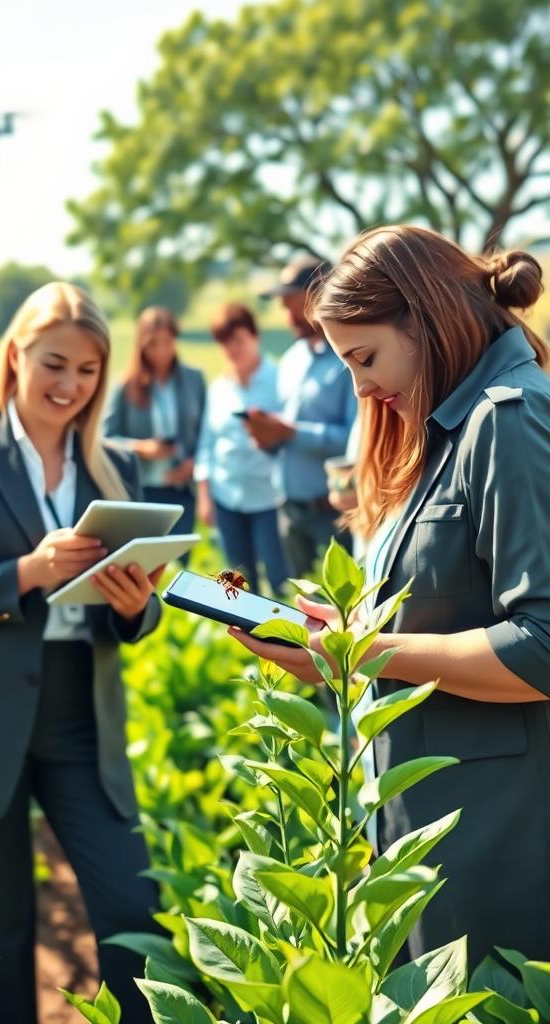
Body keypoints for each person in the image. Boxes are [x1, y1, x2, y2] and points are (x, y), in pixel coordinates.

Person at [230, 225, 550, 967]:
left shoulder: (510, 419)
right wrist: (346, 628)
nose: (360, 388)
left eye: (365, 358)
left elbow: (542, 645)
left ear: (427, 318)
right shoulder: (450, 425)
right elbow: (450, 605)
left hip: (495, 836)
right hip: (433, 822)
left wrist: (361, 654)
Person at [0, 282, 162, 1024]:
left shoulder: (115, 465)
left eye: (87, 371)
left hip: (80, 713)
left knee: (132, 910)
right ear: (15, 354)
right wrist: (29, 572)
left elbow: (136, 620)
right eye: (54, 364)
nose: (70, 386)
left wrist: (135, 607)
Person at [253, 255, 357, 577]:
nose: (287, 316)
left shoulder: (350, 360)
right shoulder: (291, 359)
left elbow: (355, 441)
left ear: (319, 296)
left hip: (332, 515)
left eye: (291, 304)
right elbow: (285, 432)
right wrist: (267, 437)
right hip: (289, 512)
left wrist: (291, 433)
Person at [194, 302, 289, 595]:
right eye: (225, 343)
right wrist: (205, 495)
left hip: (270, 499)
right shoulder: (218, 389)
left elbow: (288, 434)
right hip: (227, 498)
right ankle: (246, 637)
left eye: (238, 341)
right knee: (237, 582)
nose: (232, 350)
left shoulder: (280, 379)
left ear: (255, 337)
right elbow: (207, 444)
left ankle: (287, 638)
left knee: (281, 578)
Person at [103, 307, 206, 549]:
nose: (161, 351)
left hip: (182, 489)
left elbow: (206, 433)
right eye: (153, 344)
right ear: (141, 345)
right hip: (142, 492)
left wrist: (194, 463)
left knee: (180, 563)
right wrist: (141, 448)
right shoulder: (125, 385)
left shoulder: (193, 380)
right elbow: (104, 440)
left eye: (167, 342)